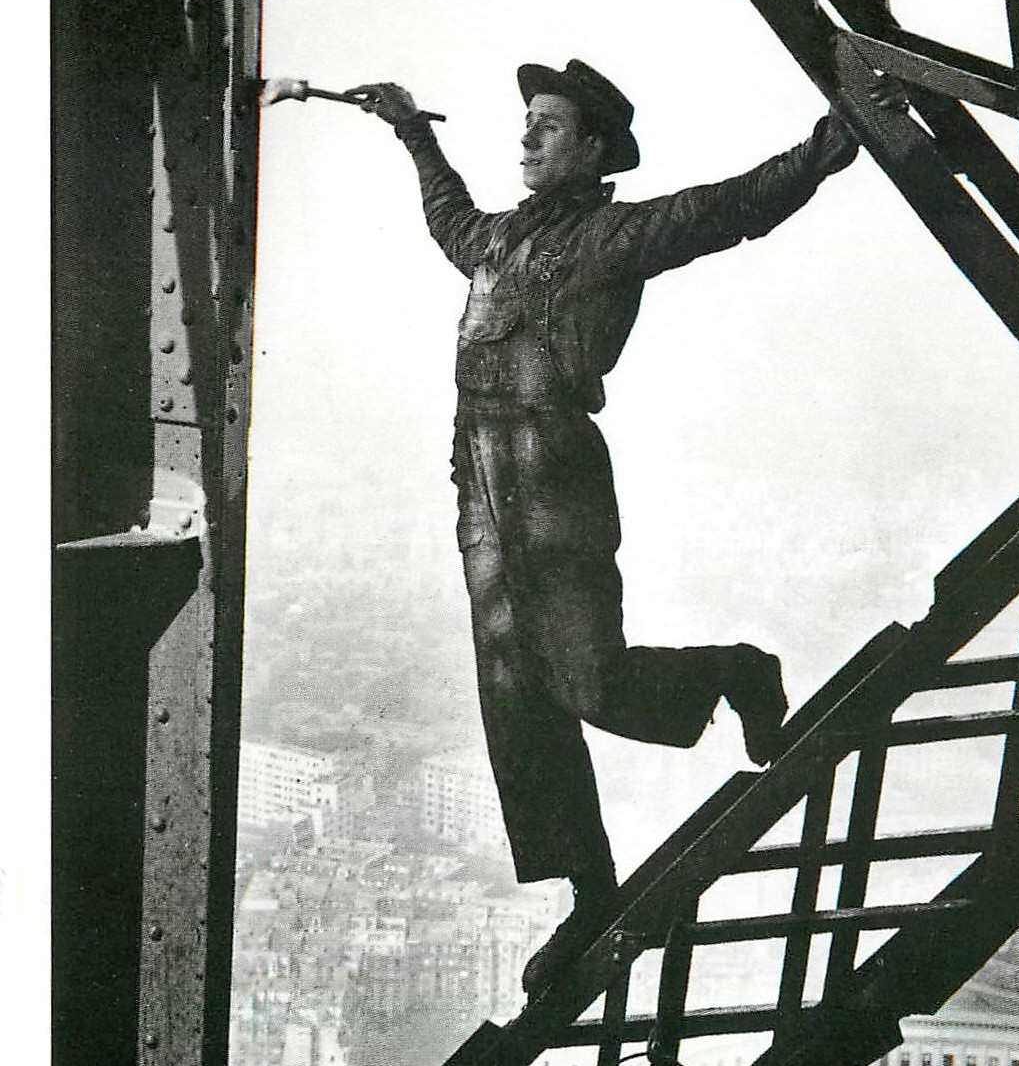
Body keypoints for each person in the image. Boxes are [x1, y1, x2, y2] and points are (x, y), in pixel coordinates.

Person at [349, 59, 875, 990]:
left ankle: (735, 672)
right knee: (517, 701)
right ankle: (591, 892)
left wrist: (829, 147)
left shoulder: (611, 235)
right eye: (525, 120)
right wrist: (411, 130)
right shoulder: (499, 239)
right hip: (481, 483)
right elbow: (446, 217)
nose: (527, 135)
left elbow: (726, 208)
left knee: (589, 678)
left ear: (593, 150)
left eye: (547, 124)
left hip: (552, 482)